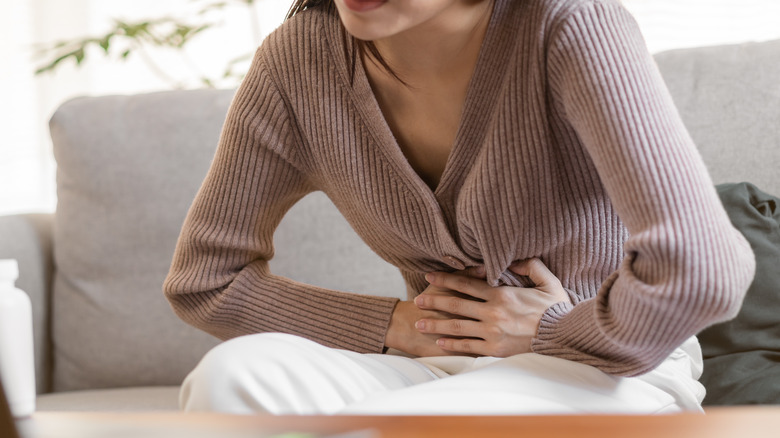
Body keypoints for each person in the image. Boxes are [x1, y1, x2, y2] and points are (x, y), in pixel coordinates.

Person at [163, 0, 755, 414]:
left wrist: (551, 330)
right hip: (439, 369)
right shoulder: (299, 63)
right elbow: (205, 281)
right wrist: (405, 327)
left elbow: (704, 269)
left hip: (612, 371)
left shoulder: (569, 25)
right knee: (234, 378)